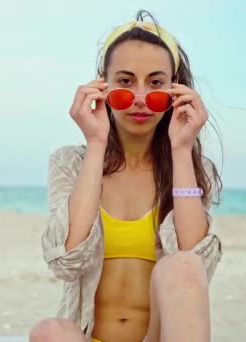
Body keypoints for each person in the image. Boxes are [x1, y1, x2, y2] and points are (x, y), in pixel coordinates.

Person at [30, 10, 223, 342]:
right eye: (124, 81)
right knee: (50, 331)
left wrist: (181, 150)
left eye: (156, 84)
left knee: (183, 267)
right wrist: (95, 142)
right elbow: (67, 261)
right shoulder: (70, 163)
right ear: (101, 84)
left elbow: (196, 267)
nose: (139, 99)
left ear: (175, 89)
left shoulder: (189, 168)